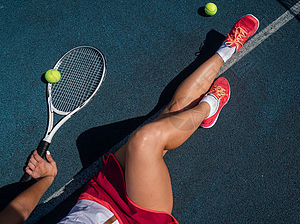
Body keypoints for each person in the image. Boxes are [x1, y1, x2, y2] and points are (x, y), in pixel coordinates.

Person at [0, 14, 259, 223]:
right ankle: (209, 106)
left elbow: (17, 213)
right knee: (146, 140)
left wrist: (47, 178)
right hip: (136, 220)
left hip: (99, 197)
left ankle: (226, 50)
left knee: (171, 112)